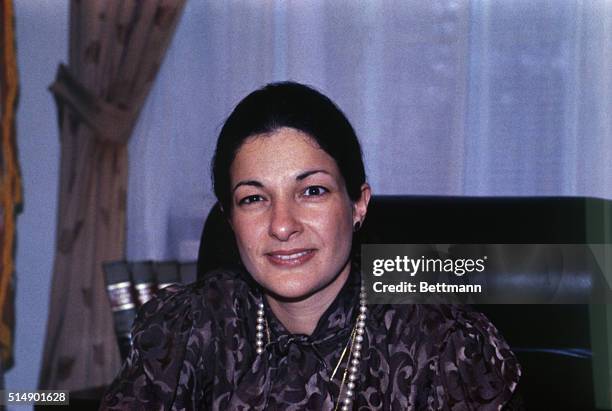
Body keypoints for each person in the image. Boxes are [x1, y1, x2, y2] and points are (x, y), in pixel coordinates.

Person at [101, 82, 521, 410]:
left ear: (358, 204)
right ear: (230, 221)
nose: (282, 225)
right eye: (253, 198)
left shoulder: (443, 347)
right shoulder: (191, 327)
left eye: (312, 191)